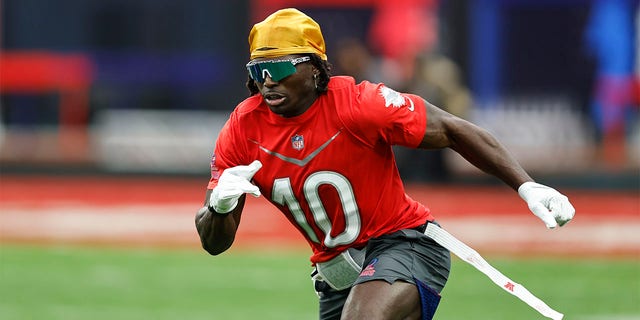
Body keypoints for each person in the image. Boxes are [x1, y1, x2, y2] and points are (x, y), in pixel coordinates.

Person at [195, 8, 575, 320]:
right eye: (257, 71)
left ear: (313, 68)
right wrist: (220, 206)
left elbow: (453, 129)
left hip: (405, 244)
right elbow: (214, 244)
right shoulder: (243, 129)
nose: (266, 82)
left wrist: (527, 186)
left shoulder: (359, 104)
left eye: (277, 69)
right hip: (337, 275)